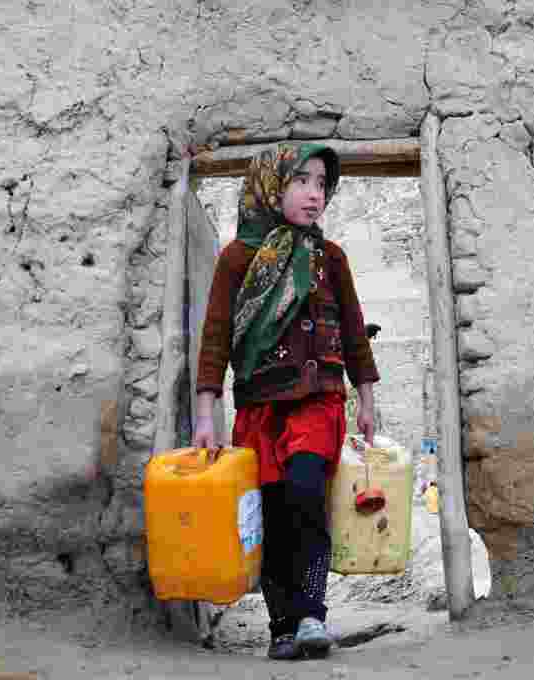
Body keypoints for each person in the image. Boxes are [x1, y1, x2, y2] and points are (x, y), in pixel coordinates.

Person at [193, 142, 380, 661]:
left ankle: (311, 614)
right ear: (272, 185)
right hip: (259, 407)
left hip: (318, 400)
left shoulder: (330, 258)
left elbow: (354, 333)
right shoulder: (237, 259)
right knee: (273, 513)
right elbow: (215, 338)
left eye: (322, 183)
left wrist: (366, 400)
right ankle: (281, 626)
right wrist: (205, 415)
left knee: (305, 494)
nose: (315, 194)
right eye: (302, 181)